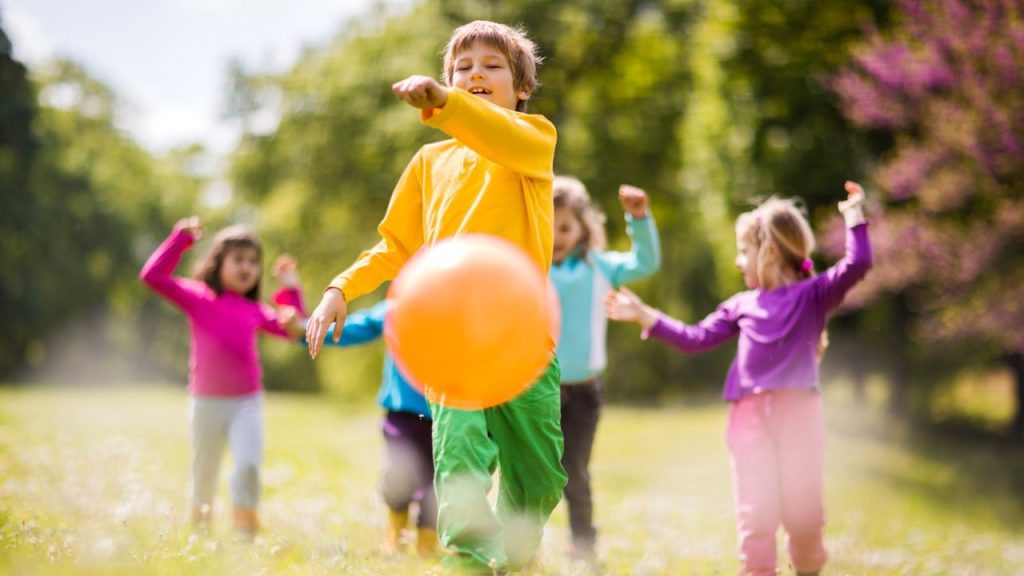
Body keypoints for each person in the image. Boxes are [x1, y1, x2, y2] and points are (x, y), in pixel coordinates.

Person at [304, 20, 566, 574]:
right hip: (453, 341)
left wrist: (447, 102)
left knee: (540, 475)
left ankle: (516, 552)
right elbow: (395, 246)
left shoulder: (534, 141)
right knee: (459, 458)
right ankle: (469, 557)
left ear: (522, 87)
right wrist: (340, 287)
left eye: (492, 65)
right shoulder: (428, 164)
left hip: (522, 340)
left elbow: (493, 130)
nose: (475, 73)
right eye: (462, 67)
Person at [605, 182, 872, 576]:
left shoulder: (813, 296)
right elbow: (695, 338)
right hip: (748, 420)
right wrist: (646, 315)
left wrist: (854, 214)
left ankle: (808, 567)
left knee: (803, 517)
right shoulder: (740, 305)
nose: (737, 261)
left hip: (799, 417)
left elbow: (858, 263)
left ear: (771, 251)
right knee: (756, 515)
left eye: (744, 251)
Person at [139, 216, 306, 539]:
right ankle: (199, 531)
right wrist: (180, 240)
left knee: (248, 465)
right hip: (205, 403)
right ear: (218, 263)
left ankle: (245, 531)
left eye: (253, 262)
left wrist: (291, 290)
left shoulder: (254, 309)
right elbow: (153, 277)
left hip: (246, 403)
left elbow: (294, 329)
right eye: (238, 259)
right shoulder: (198, 297)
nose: (247, 267)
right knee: (205, 471)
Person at [549, 176, 660, 565]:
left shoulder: (600, 268)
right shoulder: (531, 269)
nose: (556, 236)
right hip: (537, 393)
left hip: (584, 394)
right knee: (531, 473)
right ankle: (519, 544)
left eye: (565, 227)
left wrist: (639, 219)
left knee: (575, 473)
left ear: (584, 227)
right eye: (548, 227)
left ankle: (583, 547)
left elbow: (645, 262)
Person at [282, 301, 438, 558]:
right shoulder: (401, 303)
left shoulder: (458, 304)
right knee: (397, 477)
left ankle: (427, 545)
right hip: (402, 411)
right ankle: (396, 534)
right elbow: (356, 327)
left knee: (436, 484)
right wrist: (305, 328)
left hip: (444, 414)